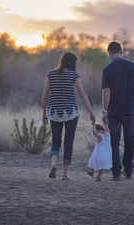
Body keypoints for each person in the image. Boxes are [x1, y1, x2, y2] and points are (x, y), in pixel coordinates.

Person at [41, 52, 95, 180]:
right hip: (70, 113)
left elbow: (45, 95)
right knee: (68, 141)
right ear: (72, 63)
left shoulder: (51, 74)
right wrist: (91, 113)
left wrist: (44, 113)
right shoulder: (74, 75)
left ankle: (54, 164)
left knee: (56, 140)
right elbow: (83, 95)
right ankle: (64, 174)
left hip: (54, 112)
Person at [101, 41, 134, 181]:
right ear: (121, 51)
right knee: (129, 141)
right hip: (129, 110)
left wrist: (104, 110)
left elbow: (106, 91)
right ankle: (128, 170)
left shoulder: (107, 69)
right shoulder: (132, 66)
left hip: (114, 112)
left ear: (109, 52)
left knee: (114, 142)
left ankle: (116, 173)